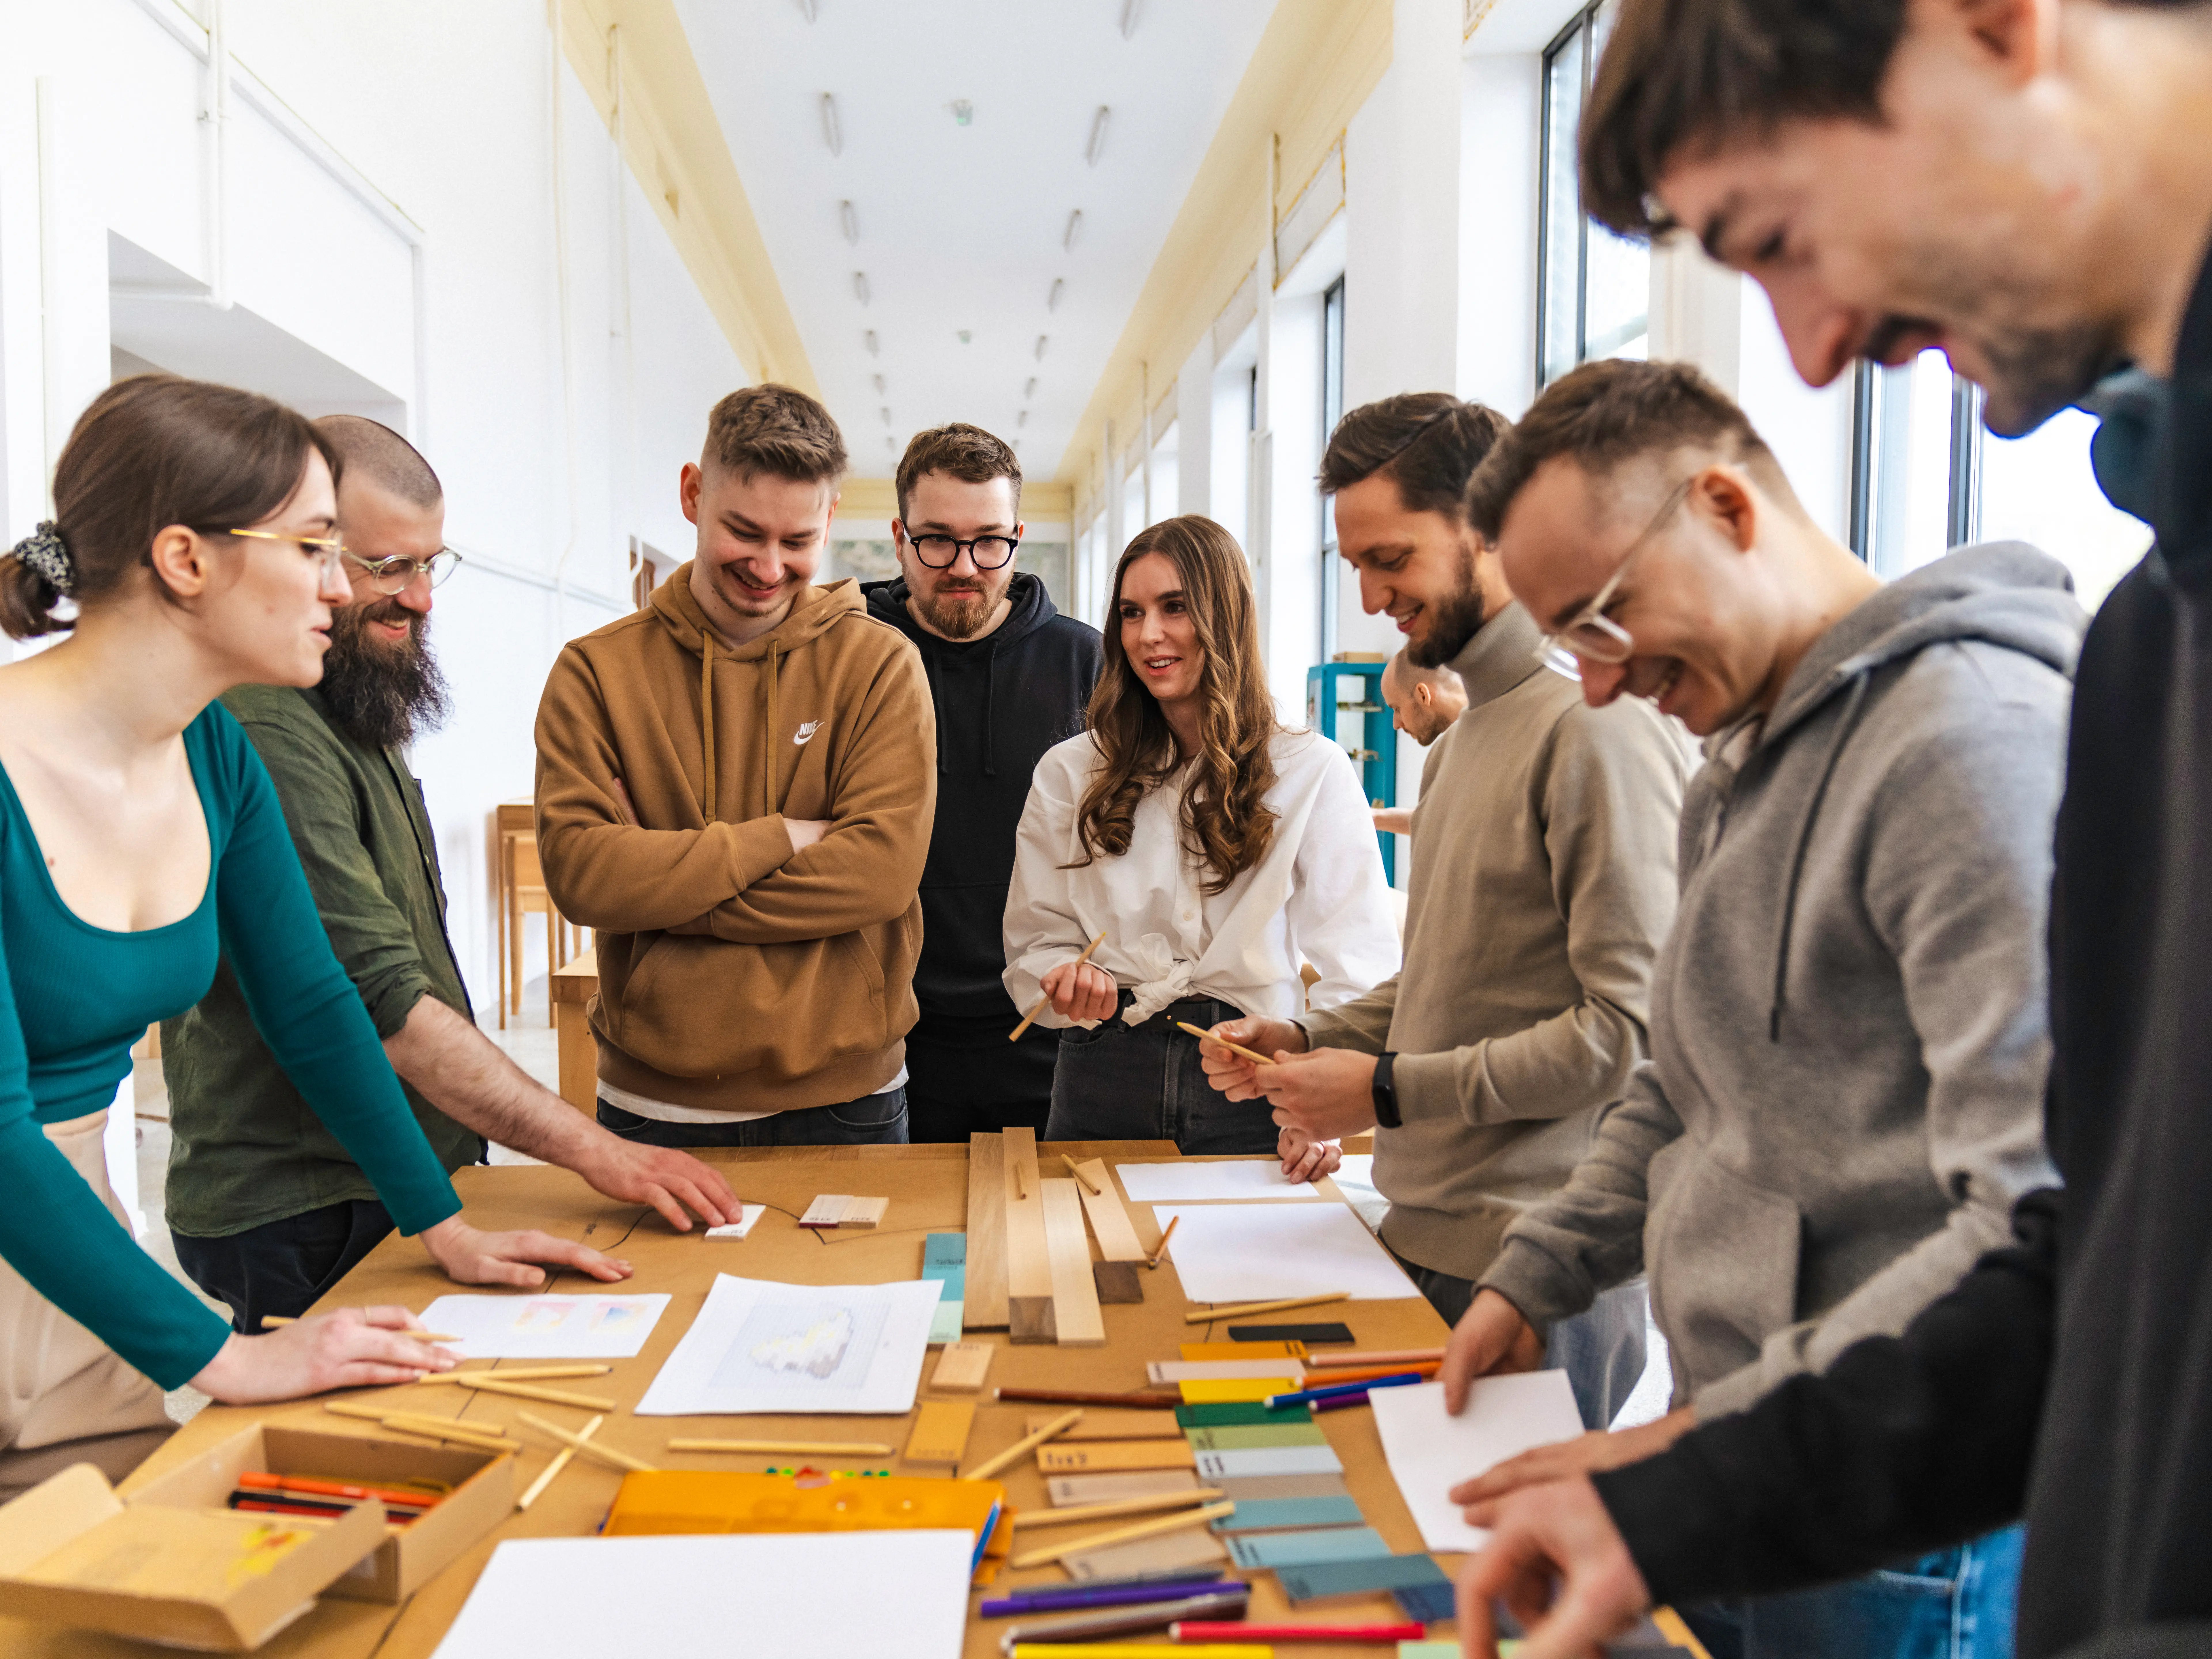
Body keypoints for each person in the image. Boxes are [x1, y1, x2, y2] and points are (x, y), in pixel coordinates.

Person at [1449, 2, 2212, 1656]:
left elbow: (2028, 1216)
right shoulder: (2154, 623)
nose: (1810, 348)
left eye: (1777, 238)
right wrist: (1672, 1466)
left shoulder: (1981, 731)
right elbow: (2095, 1252)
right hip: (1795, 1469)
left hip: (1898, 1538)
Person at [1447, 358, 2077, 1659]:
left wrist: (1709, 1447)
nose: (1603, 687)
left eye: (1603, 624)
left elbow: (2033, 1206)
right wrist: (1539, 1270)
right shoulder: (1734, 760)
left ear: (1726, 509)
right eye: (1569, 645)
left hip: (1894, 1498)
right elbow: (1684, 1081)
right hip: (1739, 1440)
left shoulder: (1970, 743)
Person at [0, 375, 628, 1497]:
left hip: (72, 1252)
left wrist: (443, 1224)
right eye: (314, 547)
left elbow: (316, 1006)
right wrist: (224, 1355)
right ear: (187, 561)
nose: (341, 589)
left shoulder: (212, 755)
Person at [161, 417, 741, 1333]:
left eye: (432, 564)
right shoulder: (266, 725)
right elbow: (375, 1006)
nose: (421, 598)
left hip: (388, 1179)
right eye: (386, 566)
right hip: (308, 1199)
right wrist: (598, 1152)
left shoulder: (349, 697)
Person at [1201, 395, 1689, 1432]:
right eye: (1358, 569)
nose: (1375, 597)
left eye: (1392, 559)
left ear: (1486, 524)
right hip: (1422, 1234)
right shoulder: (1466, 738)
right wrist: (1306, 1036)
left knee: (1495, 1587)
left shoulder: (1596, 730)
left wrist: (1379, 1089)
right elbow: (1453, 986)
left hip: (1537, 1266)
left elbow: (1626, 1036)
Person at [535, 384, 935, 1147]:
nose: (770, 567)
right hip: (656, 1105)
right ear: (693, 494)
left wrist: (657, 885)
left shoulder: (882, 665)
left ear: (830, 519)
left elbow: (881, 875)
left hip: (850, 1099)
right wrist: (780, 837)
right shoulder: (594, 673)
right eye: (744, 532)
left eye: (798, 542)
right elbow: (585, 878)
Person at [1002, 514, 1396, 1168]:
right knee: (1091, 1265)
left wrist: (1320, 1109)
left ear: (1226, 614)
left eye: (1174, 607)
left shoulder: (1311, 768)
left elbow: (1358, 964)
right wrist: (1062, 981)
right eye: (1131, 612)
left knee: (1245, 1266)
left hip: (1251, 1070)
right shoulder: (1070, 772)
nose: (1148, 633)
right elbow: (1034, 941)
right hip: (1102, 1069)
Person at [862, 424, 1101, 1144]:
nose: (964, 566)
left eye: (989, 540)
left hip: (1048, 1024)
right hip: (887, 1030)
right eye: (937, 539)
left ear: (1018, 537)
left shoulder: (1091, 664)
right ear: (900, 538)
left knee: (1043, 1245)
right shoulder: (852, 654)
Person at [1373, 651, 1465, 835]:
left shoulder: (1483, 743)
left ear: (1423, 695)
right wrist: (1371, 817)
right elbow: (1436, 822)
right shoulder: (1456, 745)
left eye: (1397, 709)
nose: (1396, 724)